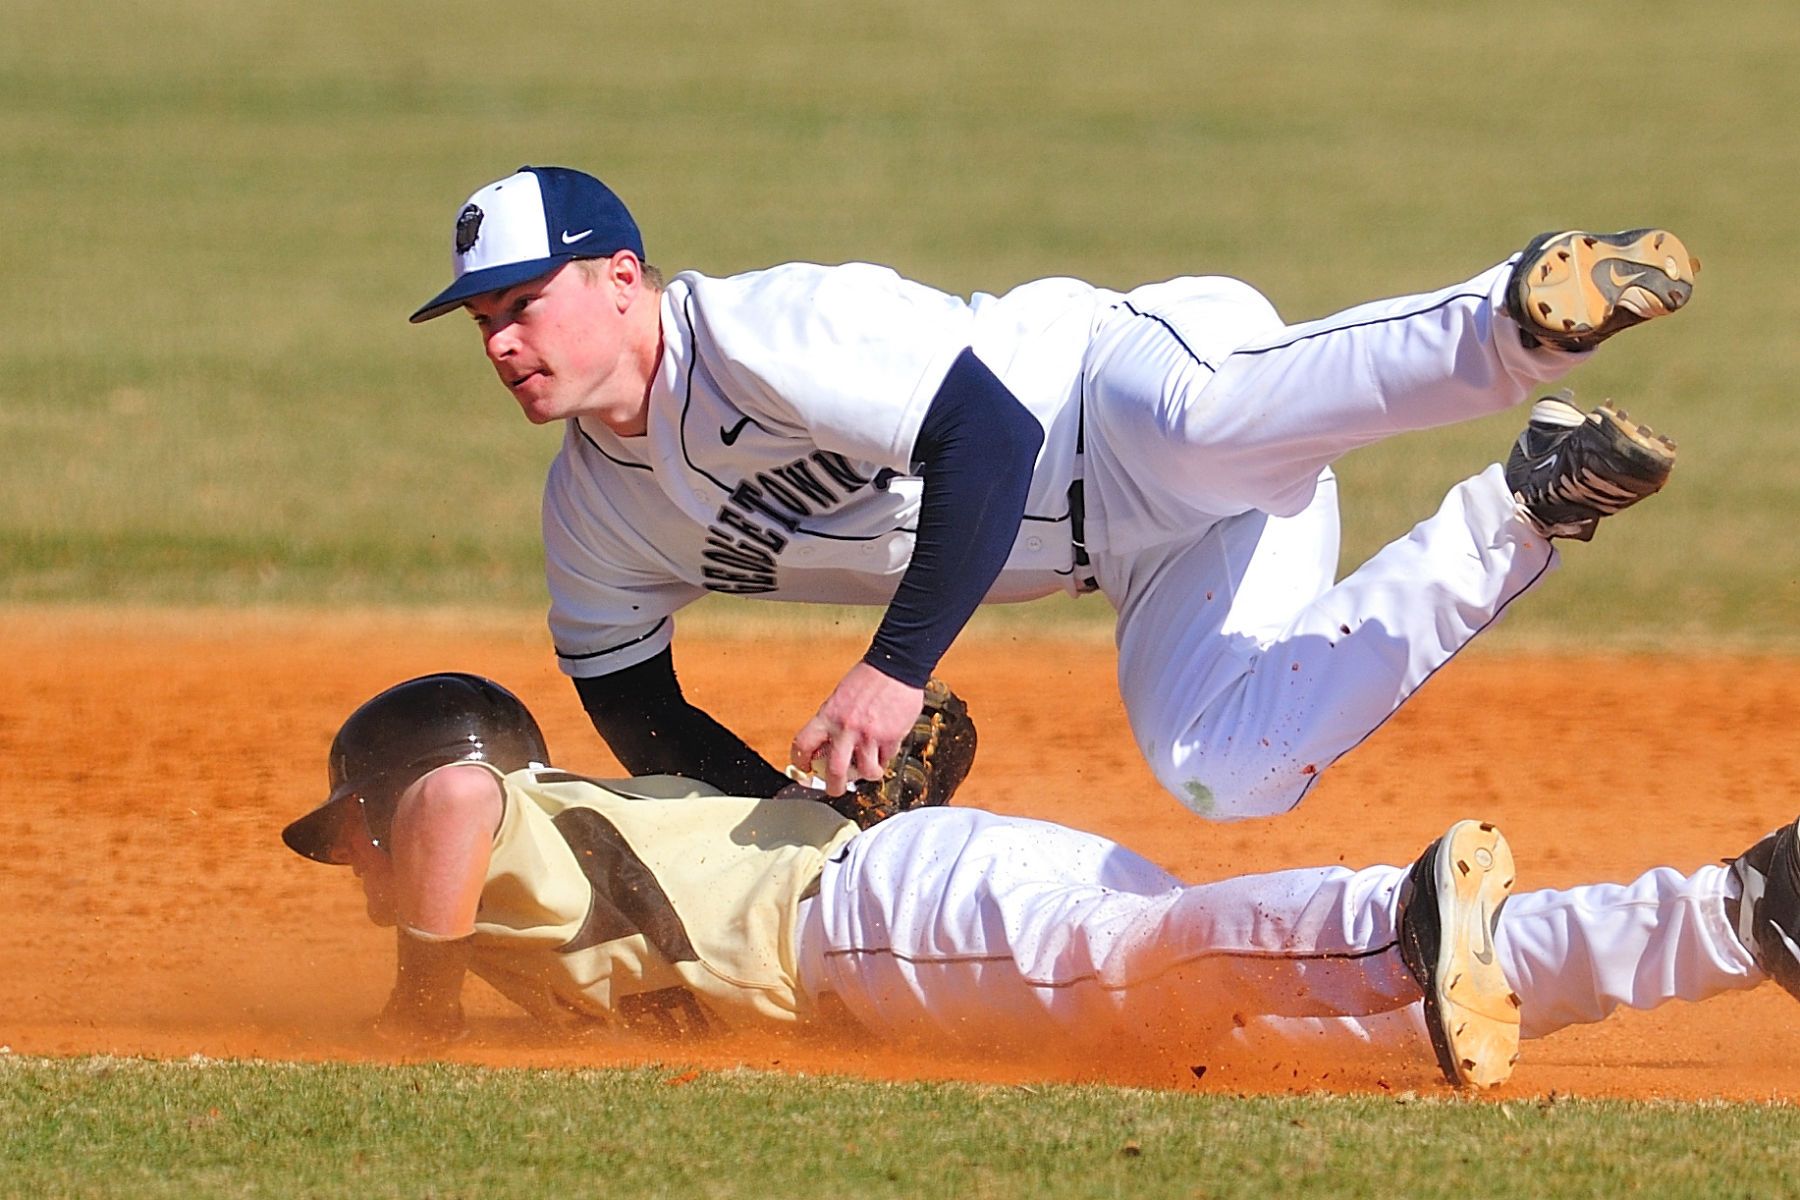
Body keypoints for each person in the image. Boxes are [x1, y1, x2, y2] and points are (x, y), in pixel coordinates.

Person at [408, 164, 1696, 818]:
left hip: (1109, 389)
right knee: (1218, 769)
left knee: (1209, 422)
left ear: (622, 277)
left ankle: (1522, 319)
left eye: (524, 303)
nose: (502, 341)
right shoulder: (594, 519)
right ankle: (1530, 504)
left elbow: (985, 434)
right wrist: (803, 835)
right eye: (482, 320)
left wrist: (895, 665)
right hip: (1138, 553)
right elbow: (640, 716)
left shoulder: (760, 329)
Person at [283, 672, 1797, 1090]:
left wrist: (419, 1000)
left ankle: (1389, 915)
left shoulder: (496, 806)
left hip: (878, 930)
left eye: (344, 826)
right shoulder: (551, 935)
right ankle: (1736, 917)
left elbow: (456, 793)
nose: (350, 857)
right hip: (929, 904)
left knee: (1154, 969)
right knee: (1337, 1044)